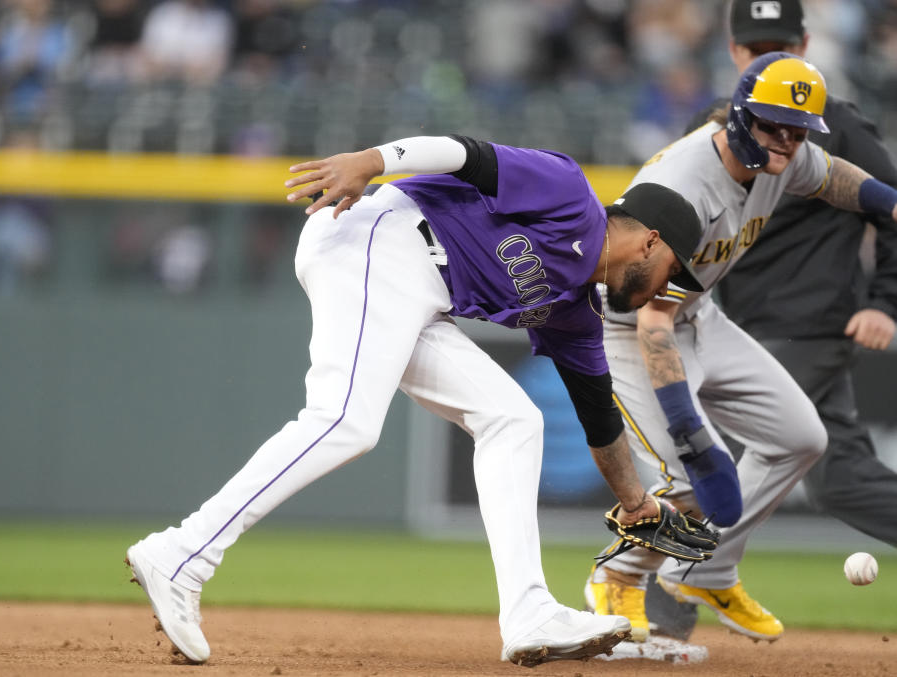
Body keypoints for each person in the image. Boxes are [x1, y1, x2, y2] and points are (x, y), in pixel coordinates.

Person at [125, 134, 709, 666]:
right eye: (672, 271)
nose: (667, 288)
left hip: (419, 293)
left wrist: (637, 504)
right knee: (345, 422)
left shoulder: (578, 311)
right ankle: (182, 555)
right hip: (381, 237)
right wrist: (372, 162)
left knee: (514, 420)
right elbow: (463, 154)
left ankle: (529, 612)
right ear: (651, 240)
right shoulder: (569, 194)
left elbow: (598, 414)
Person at [584, 50, 897, 645]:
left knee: (800, 437)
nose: (786, 141)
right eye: (773, 125)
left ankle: (706, 570)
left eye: (797, 130)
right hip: (628, 329)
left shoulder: (784, 157)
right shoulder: (683, 188)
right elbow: (651, 318)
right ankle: (617, 576)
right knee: (681, 485)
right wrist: (693, 435)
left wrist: (892, 201)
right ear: (738, 116)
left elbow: (834, 179)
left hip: (695, 313)